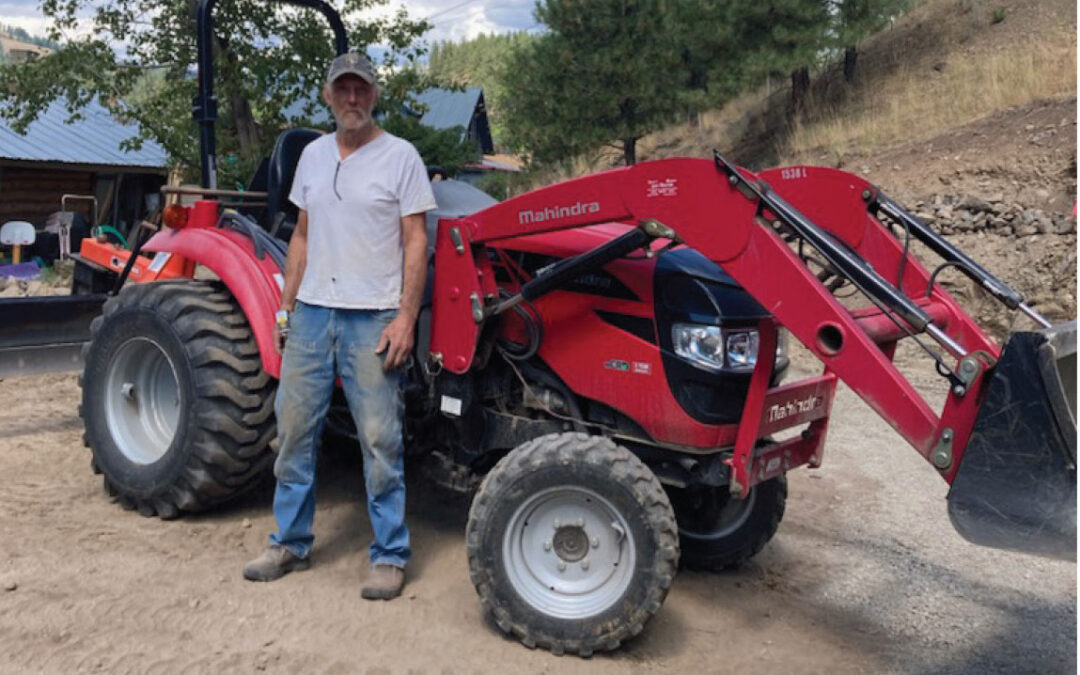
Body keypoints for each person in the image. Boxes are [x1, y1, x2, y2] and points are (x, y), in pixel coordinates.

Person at [243, 51, 436, 601]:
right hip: (311, 314)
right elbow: (301, 235)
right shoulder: (311, 155)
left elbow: (416, 241)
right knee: (296, 433)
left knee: (380, 439)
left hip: (372, 316)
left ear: (374, 95)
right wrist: (285, 307)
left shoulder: (400, 157)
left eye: (362, 89)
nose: (353, 98)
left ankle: (390, 554)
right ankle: (289, 542)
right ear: (328, 95)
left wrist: (405, 317)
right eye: (343, 89)